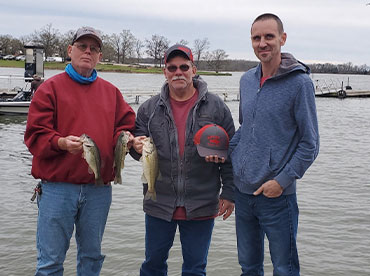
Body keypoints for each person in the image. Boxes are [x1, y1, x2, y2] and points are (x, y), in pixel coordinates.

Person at [24, 26, 136, 275]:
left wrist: (125, 138)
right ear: (70, 50)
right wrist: (60, 143)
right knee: (50, 263)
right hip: (56, 189)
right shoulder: (49, 89)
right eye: (82, 46)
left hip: (98, 190)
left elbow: (127, 125)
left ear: (99, 56)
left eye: (93, 48)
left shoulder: (112, 93)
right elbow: (34, 136)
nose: (87, 52)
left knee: (92, 258)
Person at [131, 44, 235, 276]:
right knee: (152, 266)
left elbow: (231, 153)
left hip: (201, 204)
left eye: (184, 67)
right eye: (172, 67)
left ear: (193, 69)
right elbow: (137, 150)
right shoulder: (148, 109)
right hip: (158, 203)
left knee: (195, 269)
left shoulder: (217, 107)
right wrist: (135, 146)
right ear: (165, 71)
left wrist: (229, 193)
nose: (178, 72)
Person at [229, 13, 319, 276]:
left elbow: (310, 143)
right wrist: (225, 157)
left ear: (283, 38)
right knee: (248, 267)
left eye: (269, 36)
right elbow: (246, 129)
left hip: (277, 197)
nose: (262, 43)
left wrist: (281, 181)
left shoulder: (300, 83)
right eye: (256, 38)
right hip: (243, 195)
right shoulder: (246, 80)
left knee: (284, 268)